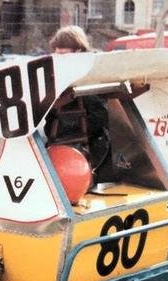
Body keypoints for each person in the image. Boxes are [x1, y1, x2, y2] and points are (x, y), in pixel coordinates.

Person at [46, 25, 113, 182]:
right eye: (57, 54)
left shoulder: (91, 75)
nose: (59, 58)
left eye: (63, 54)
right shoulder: (58, 75)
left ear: (78, 51)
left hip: (87, 148)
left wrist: (70, 132)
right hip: (63, 145)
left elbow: (100, 117)